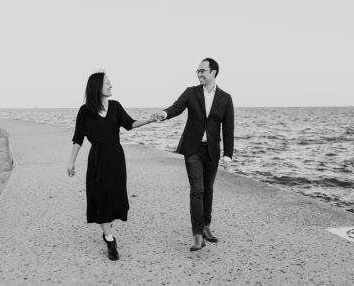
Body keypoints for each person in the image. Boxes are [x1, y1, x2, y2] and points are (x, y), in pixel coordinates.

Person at [67, 71, 156, 261]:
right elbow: (78, 138)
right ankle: (109, 240)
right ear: (97, 86)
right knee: (100, 197)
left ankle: (107, 227)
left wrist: (149, 119)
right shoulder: (85, 111)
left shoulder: (115, 106)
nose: (111, 85)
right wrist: (71, 161)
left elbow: (130, 124)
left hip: (116, 157)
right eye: (108, 83)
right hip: (97, 158)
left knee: (115, 197)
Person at [154, 58, 234, 251]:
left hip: (213, 150)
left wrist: (228, 155)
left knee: (208, 189)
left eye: (202, 71)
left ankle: (206, 226)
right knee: (196, 190)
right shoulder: (191, 92)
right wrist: (165, 114)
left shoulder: (225, 97)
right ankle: (197, 235)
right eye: (197, 71)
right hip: (193, 149)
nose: (199, 74)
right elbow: (176, 107)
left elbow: (228, 128)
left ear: (213, 72)